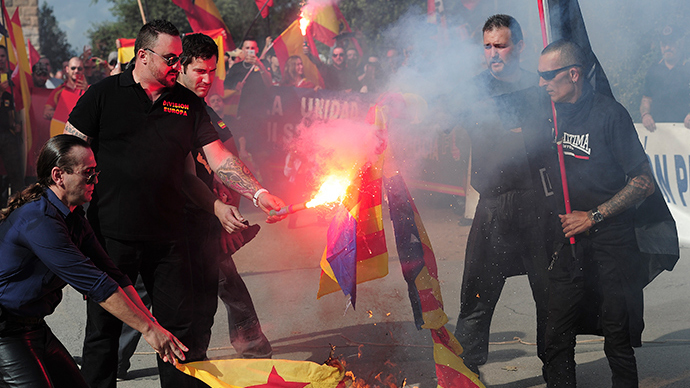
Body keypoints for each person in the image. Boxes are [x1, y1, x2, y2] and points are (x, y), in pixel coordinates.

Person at [63, 20, 285, 388]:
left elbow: (219, 158)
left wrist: (259, 193)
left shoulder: (187, 105)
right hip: (110, 238)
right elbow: (65, 152)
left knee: (179, 333)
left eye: (179, 58)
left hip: (169, 240)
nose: (176, 65)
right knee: (103, 332)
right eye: (170, 58)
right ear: (143, 56)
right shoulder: (102, 95)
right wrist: (63, 214)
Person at [0, 134, 187, 387]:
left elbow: (113, 274)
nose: (95, 180)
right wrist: (148, 330)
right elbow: (96, 284)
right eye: (87, 173)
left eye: (96, 171)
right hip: (5, 332)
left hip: (32, 327)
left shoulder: (73, 217)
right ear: (59, 176)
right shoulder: (39, 221)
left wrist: (153, 324)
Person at [528, 40, 655, 387]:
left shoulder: (610, 114)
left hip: (611, 246)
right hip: (566, 246)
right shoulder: (548, 115)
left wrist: (594, 216)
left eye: (548, 75)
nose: (542, 83)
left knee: (616, 338)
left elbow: (644, 182)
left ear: (574, 74)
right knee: (555, 336)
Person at [453, 14, 548, 377]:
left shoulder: (539, 88)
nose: (493, 54)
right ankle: (467, 374)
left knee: (550, 294)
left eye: (501, 46)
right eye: (487, 46)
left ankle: (557, 370)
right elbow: (434, 118)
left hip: (537, 204)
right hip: (492, 206)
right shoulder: (471, 90)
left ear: (519, 47)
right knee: (476, 294)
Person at [177, 32, 272, 361]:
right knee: (138, 289)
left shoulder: (203, 111)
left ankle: (251, 344)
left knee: (223, 275)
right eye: (199, 71)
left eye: (212, 71)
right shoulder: (165, 106)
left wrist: (254, 193)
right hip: (168, 216)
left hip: (203, 215)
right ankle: (109, 358)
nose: (207, 79)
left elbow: (226, 156)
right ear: (180, 67)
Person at [640, 25, 690, 131]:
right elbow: (646, 98)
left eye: (671, 43)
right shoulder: (653, 70)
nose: (667, 48)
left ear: (680, 43)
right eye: (664, 44)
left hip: (685, 132)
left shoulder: (687, 68)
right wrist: (645, 115)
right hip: (658, 132)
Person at [0, 45, 25, 205]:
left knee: (16, 174)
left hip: (8, 134)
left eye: (3, 56)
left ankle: (17, 207)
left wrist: (17, 123)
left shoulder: (12, 79)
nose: (0, 59)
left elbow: (18, 104)